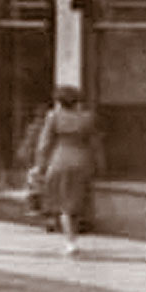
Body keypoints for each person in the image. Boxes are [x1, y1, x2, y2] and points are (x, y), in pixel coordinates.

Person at [33, 85, 103, 256]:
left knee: (64, 204)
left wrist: (40, 166)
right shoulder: (88, 118)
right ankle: (74, 237)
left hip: (60, 160)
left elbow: (44, 143)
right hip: (82, 161)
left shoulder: (54, 117)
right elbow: (95, 144)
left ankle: (70, 242)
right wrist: (100, 164)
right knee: (77, 203)